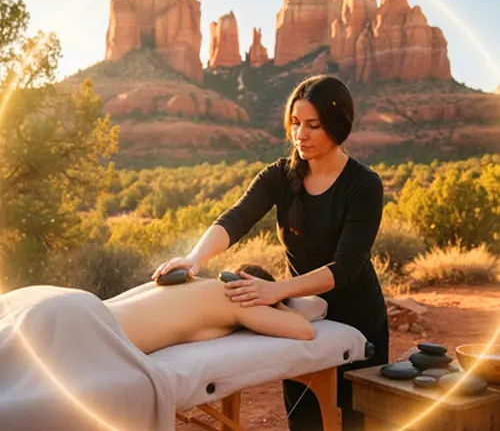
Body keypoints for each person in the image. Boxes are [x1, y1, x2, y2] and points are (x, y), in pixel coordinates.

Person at [152, 74, 389, 431]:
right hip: (302, 315)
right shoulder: (280, 174)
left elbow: (347, 265)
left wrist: (276, 291)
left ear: (338, 127)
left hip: (358, 318)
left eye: (314, 125)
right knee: (305, 422)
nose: (300, 135)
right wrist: (195, 258)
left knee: (357, 424)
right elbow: (236, 218)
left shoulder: (363, 184)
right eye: (295, 124)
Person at [105, 264, 314, 355]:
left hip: (92, 311)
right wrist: (275, 298)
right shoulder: (238, 297)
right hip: (106, 338)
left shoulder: (186, 281)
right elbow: (304, 330)